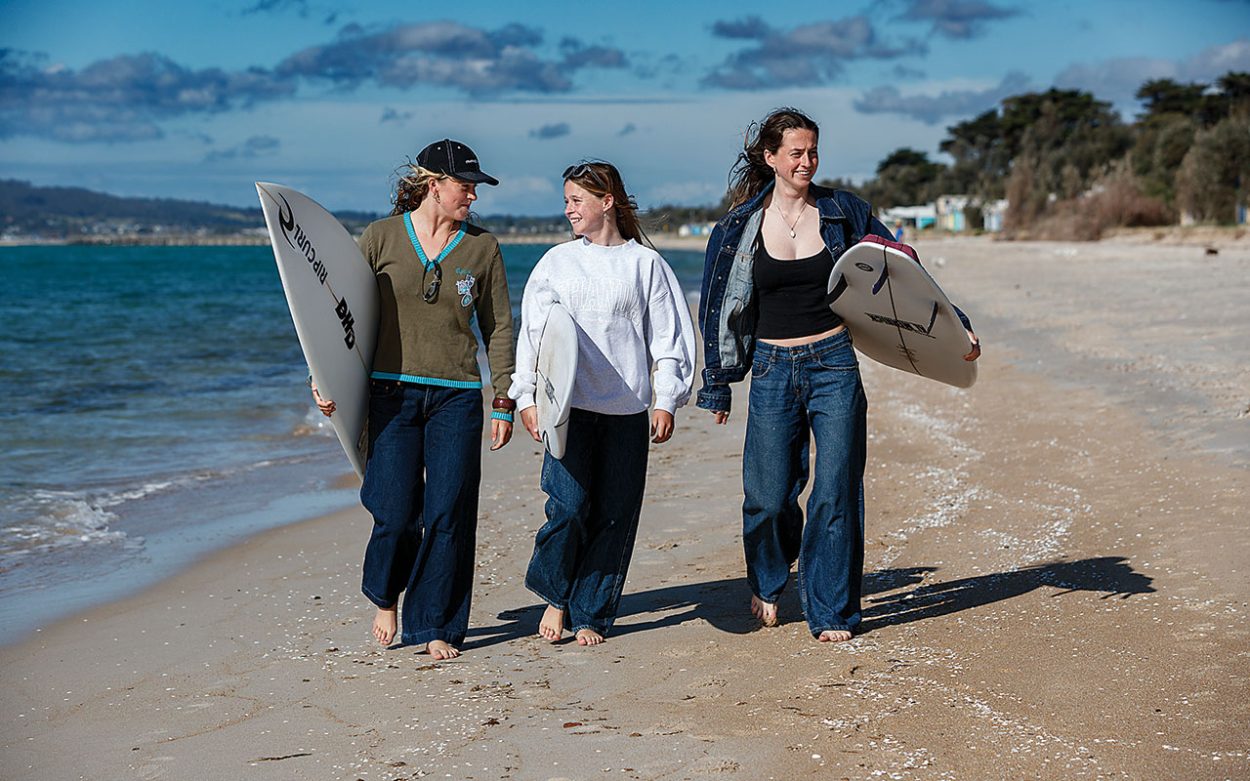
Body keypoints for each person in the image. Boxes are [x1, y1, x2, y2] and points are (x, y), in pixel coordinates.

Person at [696, 108, 979, 643]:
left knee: (836, 489)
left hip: (833, 363)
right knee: (768, 496)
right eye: (796, 153)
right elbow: (715, 303)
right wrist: (716, 381)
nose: (807, 162)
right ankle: (768, 578)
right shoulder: (737, 227)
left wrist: (954, 327)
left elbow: (904, 270)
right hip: (773, 369)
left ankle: (831, 611)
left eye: (813, 152)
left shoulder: (844, 210)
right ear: (770, 157)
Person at [312, 139, 516, 661]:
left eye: (475, 187)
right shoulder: (380, 238)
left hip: (458, 396)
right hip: (391, 393)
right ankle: (385, 595)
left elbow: (498, 328)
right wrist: (326, 380)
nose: (472, 194)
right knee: (396, 510)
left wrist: (503, 398)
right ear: (434, 185)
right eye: (464, 185)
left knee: (450, 511)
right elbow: (343, 319)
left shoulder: (482, 247)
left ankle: (435, 624)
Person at [510, 160, 696, 646]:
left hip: (627, 409)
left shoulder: (645, 264)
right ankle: (555, 596)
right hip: (567, 409)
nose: (568, 209)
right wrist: (526, 396)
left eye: (577, 200)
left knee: (614, 514)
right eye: (567, 200)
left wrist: (666, 399)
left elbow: (668, 337)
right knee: (568, 508)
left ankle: (590, 611)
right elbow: (535, 336)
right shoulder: (556, 262)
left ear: (606, 201)